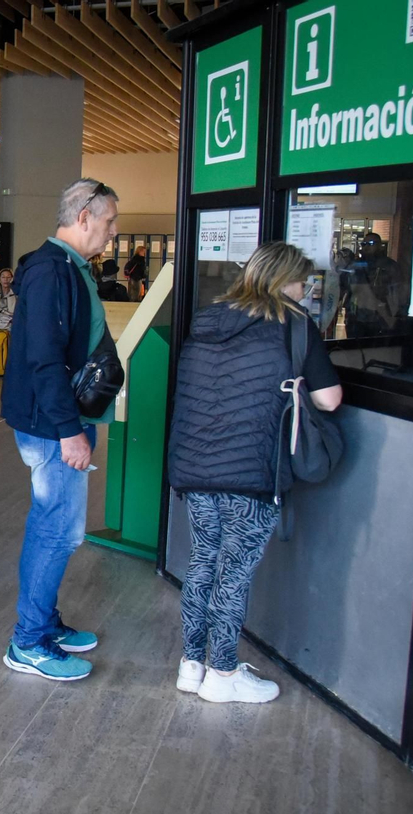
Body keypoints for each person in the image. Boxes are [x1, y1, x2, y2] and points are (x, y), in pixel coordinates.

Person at [169, 241, 342, 703]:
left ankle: (191, 664)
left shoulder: (208, 318)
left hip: (195, 466)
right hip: (252, 470)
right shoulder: (293, 325)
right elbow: (329, 400)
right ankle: (223, 675)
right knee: (235, 572)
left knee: (203, 562)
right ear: (285, 280)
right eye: (303, 281)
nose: (306, 290)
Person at [0, 178, 120, 681]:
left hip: (63, 422)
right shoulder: (52, 270)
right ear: (84, 215)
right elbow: (44, 360)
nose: (113, 233)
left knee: (49, 527)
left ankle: (43, 623)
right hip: (53, 427)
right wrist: (70, 430)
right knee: (59, 534)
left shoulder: (71, 267)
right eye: (109, 221)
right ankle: (28, 642)